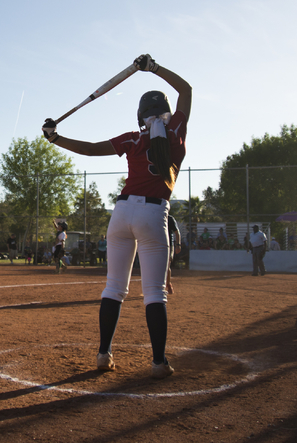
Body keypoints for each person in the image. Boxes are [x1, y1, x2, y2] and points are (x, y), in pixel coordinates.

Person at [42, 53, 191, 379]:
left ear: (140, 116)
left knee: (114, 288)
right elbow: (186, 89)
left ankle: (103, 353)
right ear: (165, 112)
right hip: (154, 213)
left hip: (121, 213)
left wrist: (56, 139)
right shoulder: (176, 131)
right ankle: (158, 362)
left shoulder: (132, 138)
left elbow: (91, 148)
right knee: (154, 292)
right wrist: (153, 68)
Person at [166, 215, 181, 294]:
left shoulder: (170, 219)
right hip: (158, 244)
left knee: (167, 263)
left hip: (169, 245)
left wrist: (178, 245)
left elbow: (177, 232)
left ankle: (168, 284)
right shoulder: (155, 217)